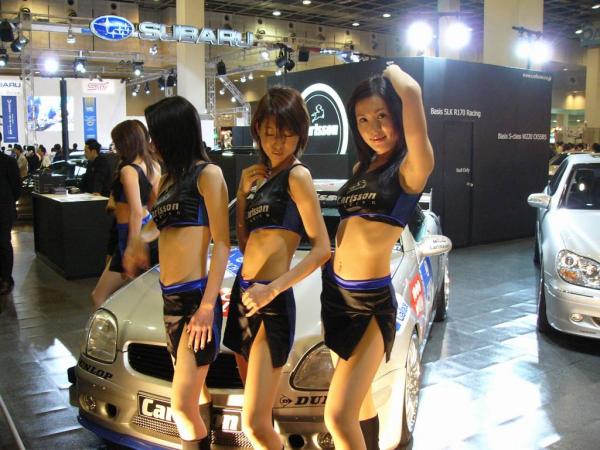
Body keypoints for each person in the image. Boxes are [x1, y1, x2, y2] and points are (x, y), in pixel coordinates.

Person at [321, 64, 434, 450]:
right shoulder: (362, 168)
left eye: (382, 116)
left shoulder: (412, 167)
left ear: (398, 116)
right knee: (361, 404)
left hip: (370, 302)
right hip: (336, 296)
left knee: (337, 415)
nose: (374, 128)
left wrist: (392, 70)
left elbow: (412, 92)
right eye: (363, 119)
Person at [223, 86, 330, 450]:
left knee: (254, 423)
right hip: (244, 295)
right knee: (257, 415)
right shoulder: (263, 179)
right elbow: (245, 244)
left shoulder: (297, 176)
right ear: (257, 131)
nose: (276, 143)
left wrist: (273, 289)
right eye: (268, 133)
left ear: (300, 133)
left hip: (271, 302)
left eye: (285, 133)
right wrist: (241, 197)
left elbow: (322, 249)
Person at [124, 96, 230, 450]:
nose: (151, 144)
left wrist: (207, 305)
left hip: (195, 300)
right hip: (169, 299)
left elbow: (223, 244)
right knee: (195, 395)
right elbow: (156, 225)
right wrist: (137, 241)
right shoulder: (169, 178)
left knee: (181, 406)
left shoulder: (208, 175)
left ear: (174, 134)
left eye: (156, 136)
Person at [90, 120, 161, 309]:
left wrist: (131, 248)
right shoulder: (153, 166)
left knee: (99, 296)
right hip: (144, 231)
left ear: (125, 142)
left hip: (129, 233)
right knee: (136, 293)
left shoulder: (129, 170)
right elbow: (154, 205)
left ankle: (104, 328)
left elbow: (136, 212)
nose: (115, 148)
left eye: (116, 143)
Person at [0, 132, 22, 295]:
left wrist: (7, 202)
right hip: (5, 207)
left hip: (3, 210)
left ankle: (6, 278)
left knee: (3, 243)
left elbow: (16, 188)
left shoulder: (8, 161)